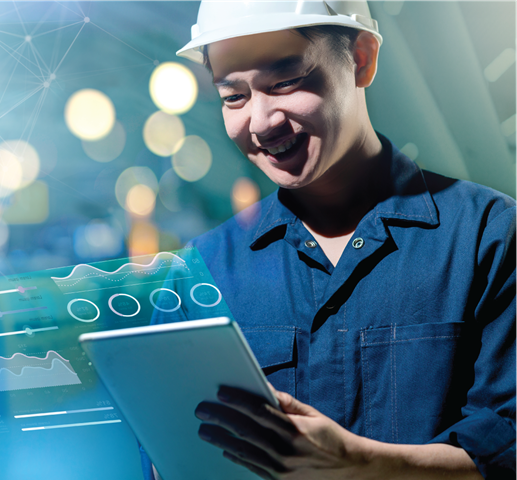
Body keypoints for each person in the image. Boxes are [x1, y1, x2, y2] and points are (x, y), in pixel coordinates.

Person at [143, 1, 517, 478]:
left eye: (284, 82)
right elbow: (168, 452)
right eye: (233, 96)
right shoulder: (203, 274)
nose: (260, 122)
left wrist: (358, 464)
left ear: (361, 59)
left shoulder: (488, 237)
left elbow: (509, 443)